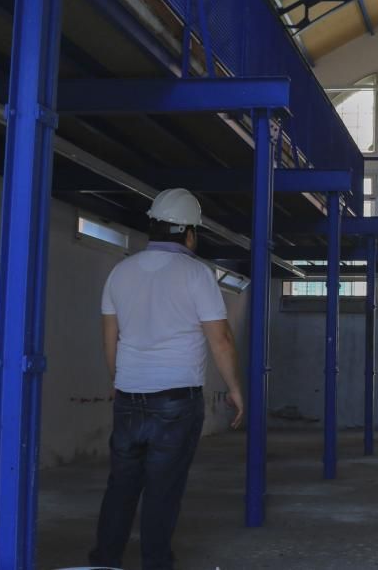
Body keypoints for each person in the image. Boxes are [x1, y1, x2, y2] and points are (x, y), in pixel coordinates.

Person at [89, 188, 244, 570]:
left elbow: (111, 338)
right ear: (190, 233)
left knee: (121, 486)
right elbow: (220, 339)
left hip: (129, 396)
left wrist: (119, 379)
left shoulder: (120, 272)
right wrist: (236, 390)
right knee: (163, 490)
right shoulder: (196, 274)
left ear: (154, 227)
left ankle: (104, 562)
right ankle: (155, 564)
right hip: (175, 401)